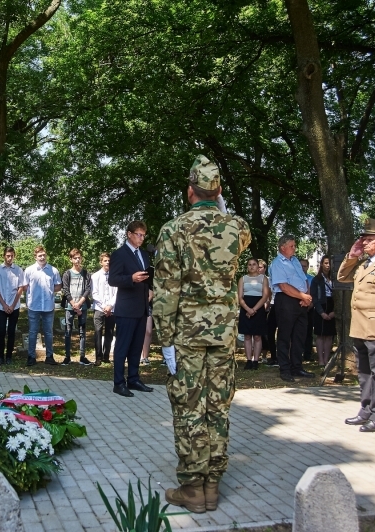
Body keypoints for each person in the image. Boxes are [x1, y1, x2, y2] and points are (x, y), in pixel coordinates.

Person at [153, 154, 251, 513]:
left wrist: (164, 339)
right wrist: (219, 205)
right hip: (223, 334)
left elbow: (166, 291)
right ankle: (213, 485)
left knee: (189, 406)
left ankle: (193, 487)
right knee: (218, 406)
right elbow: (239, 231)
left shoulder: (173, 229)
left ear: (189, 190)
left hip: (187, 334)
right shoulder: (236, 227)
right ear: (219, 190)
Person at [337, 219, 375, 432]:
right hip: (360, 325)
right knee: (364, 371)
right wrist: (353, 255)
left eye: (369, 240)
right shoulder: (364, 263)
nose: (364, 243)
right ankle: (366, 409)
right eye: (363, 239)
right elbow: (342, 276)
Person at [108, 221, 154, 397]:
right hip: (126, 308)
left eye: (143, 235)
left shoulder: (143, 254)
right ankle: (118, 383)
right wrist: (131, 278)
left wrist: (150, 288)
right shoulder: (119, 254)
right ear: (129, 234)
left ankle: (133, 379)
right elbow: (113, 279)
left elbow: (147, 277)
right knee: (122, 346)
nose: (141, 238)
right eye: (138, 235)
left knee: (136, 347)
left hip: (142, 306)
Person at [270, 235, 314, 382]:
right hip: (286, 300)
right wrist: (302, 296)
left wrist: (306, 296)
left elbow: (304, 279)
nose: (294, 248)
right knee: (285, 336)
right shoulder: (277, 263)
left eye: (295, 246)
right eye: (292, 246)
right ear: (283, 247)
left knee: (299, 335)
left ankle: (297, 367)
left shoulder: (295, 261)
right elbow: (283, 286)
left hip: (301, 300)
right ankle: (285, 369)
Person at [23, 246, 62, 366]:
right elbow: (25, 286)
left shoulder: (53, 270)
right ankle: (31, 357)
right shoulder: (29, 270)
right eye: (40, 255)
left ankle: (49, 356)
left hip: (48, 307)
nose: (42, 257)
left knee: (49, 332)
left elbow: (58, 286)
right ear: (35, 257)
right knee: (33, 332)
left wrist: (49, 291)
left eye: (44, 255)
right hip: (33, 306)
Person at [0, 246, 25, 365]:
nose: (9, 258)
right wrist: (4, 304)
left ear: (14, 256)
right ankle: (0, 357)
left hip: (14, 306)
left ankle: (9, 357)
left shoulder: (18, 270)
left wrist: (13, 305)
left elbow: (20, 288)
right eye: (7, 256)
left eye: (12, 256)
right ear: (4, 256)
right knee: (1, 331)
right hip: (1, 306)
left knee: (11, 332)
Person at [61, 248, 93, 365]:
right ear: (71, 259)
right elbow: (65, 289)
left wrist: (79, 304)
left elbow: (88, 289)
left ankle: (82, 357)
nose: (77, 260)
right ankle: (67, 357)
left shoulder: (86, 274)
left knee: (82, 332)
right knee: (68, 331)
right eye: (75, 258)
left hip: (82, 307)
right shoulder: (67, 274)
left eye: (79, 257)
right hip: (70, 307)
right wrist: (73, 304)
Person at [238, 258, 270, 370]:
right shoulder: (243, 279)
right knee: (247, 335)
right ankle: (248, 360)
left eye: (254, 264)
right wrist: (247, 309)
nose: (252, 266)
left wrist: (254, 310)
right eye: (249, 264)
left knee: (257, 336)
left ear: (258, 266)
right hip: (245, 307)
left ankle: (256, 360)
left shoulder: (263, 278)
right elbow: (240, 297)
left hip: (258, 308)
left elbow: (265, 295)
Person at [310, 255, 336, 367]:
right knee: (320, 335)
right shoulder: (317, 279)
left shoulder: (335, 278)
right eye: (326, 263)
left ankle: (326, 359)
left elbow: (339, 296)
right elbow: (314, 297)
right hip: (321, 307)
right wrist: (321, 312)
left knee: (329, 335)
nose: (328, 265)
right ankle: (320, 359)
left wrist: (335, 311)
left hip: (332, 306)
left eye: (329, 263)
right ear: (322, 264)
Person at [92, 252, 117, 367]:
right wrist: (104, 306)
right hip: (99, 308)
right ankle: (98, 357)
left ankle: (106, 355)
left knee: (109, 332)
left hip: (111, 309)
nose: (107, 262)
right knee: (98, 331)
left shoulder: (115, 275)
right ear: (101, 262)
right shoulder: (95, 276)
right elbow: (94, 293)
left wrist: (110, 305)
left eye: (109, 260)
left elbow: (117, 293)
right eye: (105, 260)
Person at [300, 258, 315, 361]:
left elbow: (314, 294)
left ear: (307, 267)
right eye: (301, 266)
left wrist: (311, 304)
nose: (302, 268)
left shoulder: (312, 279)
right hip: (298, 308)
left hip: (309, 309)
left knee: (308, 332)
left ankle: (307, 354)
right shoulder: (294, 278)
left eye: (304, 266)